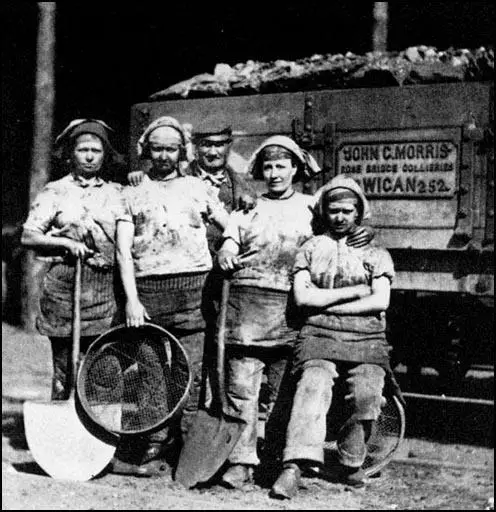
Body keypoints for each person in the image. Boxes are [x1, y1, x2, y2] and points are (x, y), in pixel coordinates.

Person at [216, 136, 375, 489]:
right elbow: (229, 240)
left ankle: (273, 459)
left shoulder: (310, 207)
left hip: (292, 312)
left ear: (295, 169)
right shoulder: (247, 207)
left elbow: (342, 224)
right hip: (248, 311)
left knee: (282, 393)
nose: (274, 174)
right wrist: (225, 253)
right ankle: (240, 461)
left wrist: (365, 232)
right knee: (242, 389)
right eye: (268, 167)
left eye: (281, 166)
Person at [114, 116, 230, 476]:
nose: (164, 155)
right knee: (151, 371)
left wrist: (229, 245)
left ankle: (184, 446)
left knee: (190, 372)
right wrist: (132, 299)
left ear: (182, 151)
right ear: (146, 150)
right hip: (149, 291)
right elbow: (122, 251)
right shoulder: (130, 192)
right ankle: (153, 441)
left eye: (171, 148)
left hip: (193, 291)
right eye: (157, 148)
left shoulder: (198, 188)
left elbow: (231, 225)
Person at [270, 175, 396, 499]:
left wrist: (326, 301)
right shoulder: (311, 248)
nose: (340, 217)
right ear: (324, 212)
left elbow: (380, 301)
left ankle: (350, 459)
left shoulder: (377, 253)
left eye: (347, 211)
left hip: (366, 338)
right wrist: (356, 294)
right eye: (334, 210)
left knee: (367, 393)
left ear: (358, 213)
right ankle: (294, 465)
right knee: (313, 386)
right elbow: (302, 298)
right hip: (318, 334)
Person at [20, 119, 126, 400]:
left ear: (106, 154)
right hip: (66, 286)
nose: (90, 156)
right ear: (70, 153)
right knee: (66, 368)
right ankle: (63, 429)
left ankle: (95, 430)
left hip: (105, 289)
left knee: (103, 367)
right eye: (83, 150)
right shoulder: (55, 191)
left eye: (96, 150)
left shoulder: (117, 192)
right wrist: (66, 242)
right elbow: (29, 236)